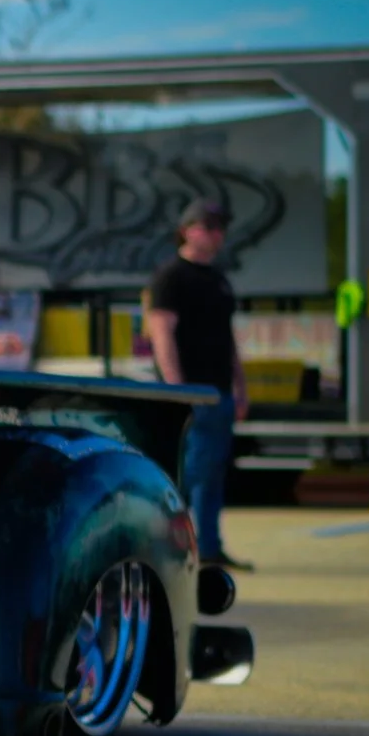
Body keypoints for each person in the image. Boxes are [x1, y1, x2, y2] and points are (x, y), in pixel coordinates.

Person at [144, 199, 249, 569]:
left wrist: (240, 385)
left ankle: (210, 547)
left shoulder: (219, 280)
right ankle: (172, 548)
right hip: (192, 396)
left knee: (213, 472)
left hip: (218, 392)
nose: (216, 233)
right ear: (186, 229)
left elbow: (228, 338)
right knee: (191, 474)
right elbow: (162, 335)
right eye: (207, 225)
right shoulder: (171, 277)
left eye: (219, 227)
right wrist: (178, 391)